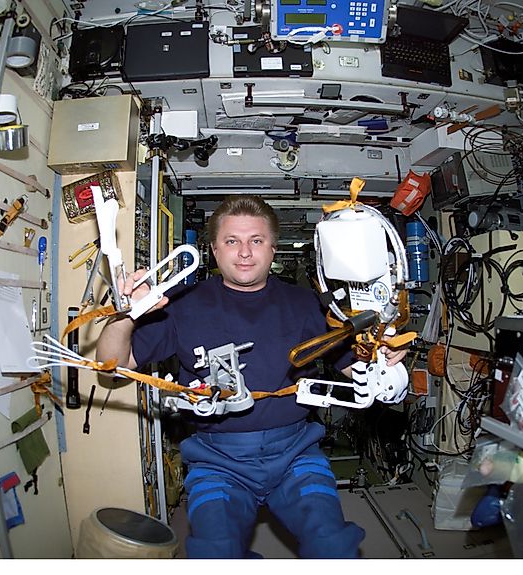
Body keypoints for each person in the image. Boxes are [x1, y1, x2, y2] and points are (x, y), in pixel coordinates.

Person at [96, 195, 407, 559]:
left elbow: (356, 367)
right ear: (213, 250)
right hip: (216, 460)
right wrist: (126, 314)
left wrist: (383, 358)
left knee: (333, 546)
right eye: (232, 241)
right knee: (214, 554)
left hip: (296, 454)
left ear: (273, 249)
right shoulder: (181, 306)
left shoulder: (309, 305)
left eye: (256, 241)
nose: (244, 252)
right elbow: (112, 366)